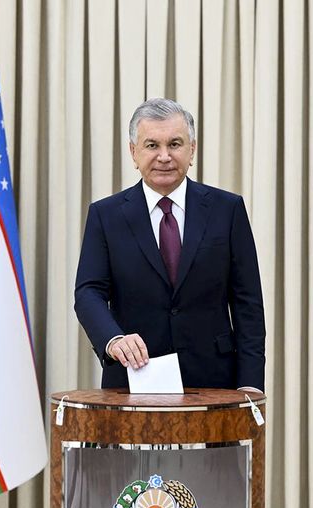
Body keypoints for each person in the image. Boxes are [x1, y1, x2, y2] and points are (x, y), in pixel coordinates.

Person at [74, 98, 265, 391]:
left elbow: (248, 303)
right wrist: (113, 339)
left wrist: (251, 386)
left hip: (214, 383)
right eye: (152, 145)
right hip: (133, 380)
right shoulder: (105, 215)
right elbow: (89, 293)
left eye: (175, 144)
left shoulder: (227, 210)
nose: (164, 156)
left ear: (192, 150)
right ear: (133, 152)